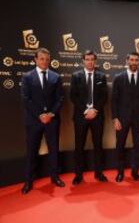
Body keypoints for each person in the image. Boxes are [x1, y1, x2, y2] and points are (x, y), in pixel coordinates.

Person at [21, 47, 65, 194]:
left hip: (52, 120)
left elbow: (60, 98)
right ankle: (28, 181)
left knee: (54, 150)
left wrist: (51, 114)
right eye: (41, 58)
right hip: (34, 121)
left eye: (47, 59)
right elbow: (26, 99)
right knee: (32, 151)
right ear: (35, 59)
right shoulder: (27, 77)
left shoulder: (55, 77)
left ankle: (55, 177)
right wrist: (40, 114)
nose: (45, 61)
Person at [70, 50, 108, 185]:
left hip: (97, 116)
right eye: (87, 59)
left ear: (95, 61)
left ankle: (99, 173)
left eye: (92, 59)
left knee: (98, 146)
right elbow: (73, 96)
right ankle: (78, 175)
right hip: (81, 116)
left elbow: (104, 96)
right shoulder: (76, 76)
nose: (90, 62)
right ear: (83, 61)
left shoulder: (101, 76)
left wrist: (94, 110)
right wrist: (86, 110)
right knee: (79, 147)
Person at [112, 52, 139, 182]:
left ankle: (134, 171)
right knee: (120, 145)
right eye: (132, 60)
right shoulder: (118, 78)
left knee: (137, 145)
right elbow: (114, 100)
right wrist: (115, 118)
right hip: (122, 119)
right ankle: (120, 172)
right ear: (127, 61)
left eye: (136, 60)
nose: (134, 62)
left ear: (138, 62)